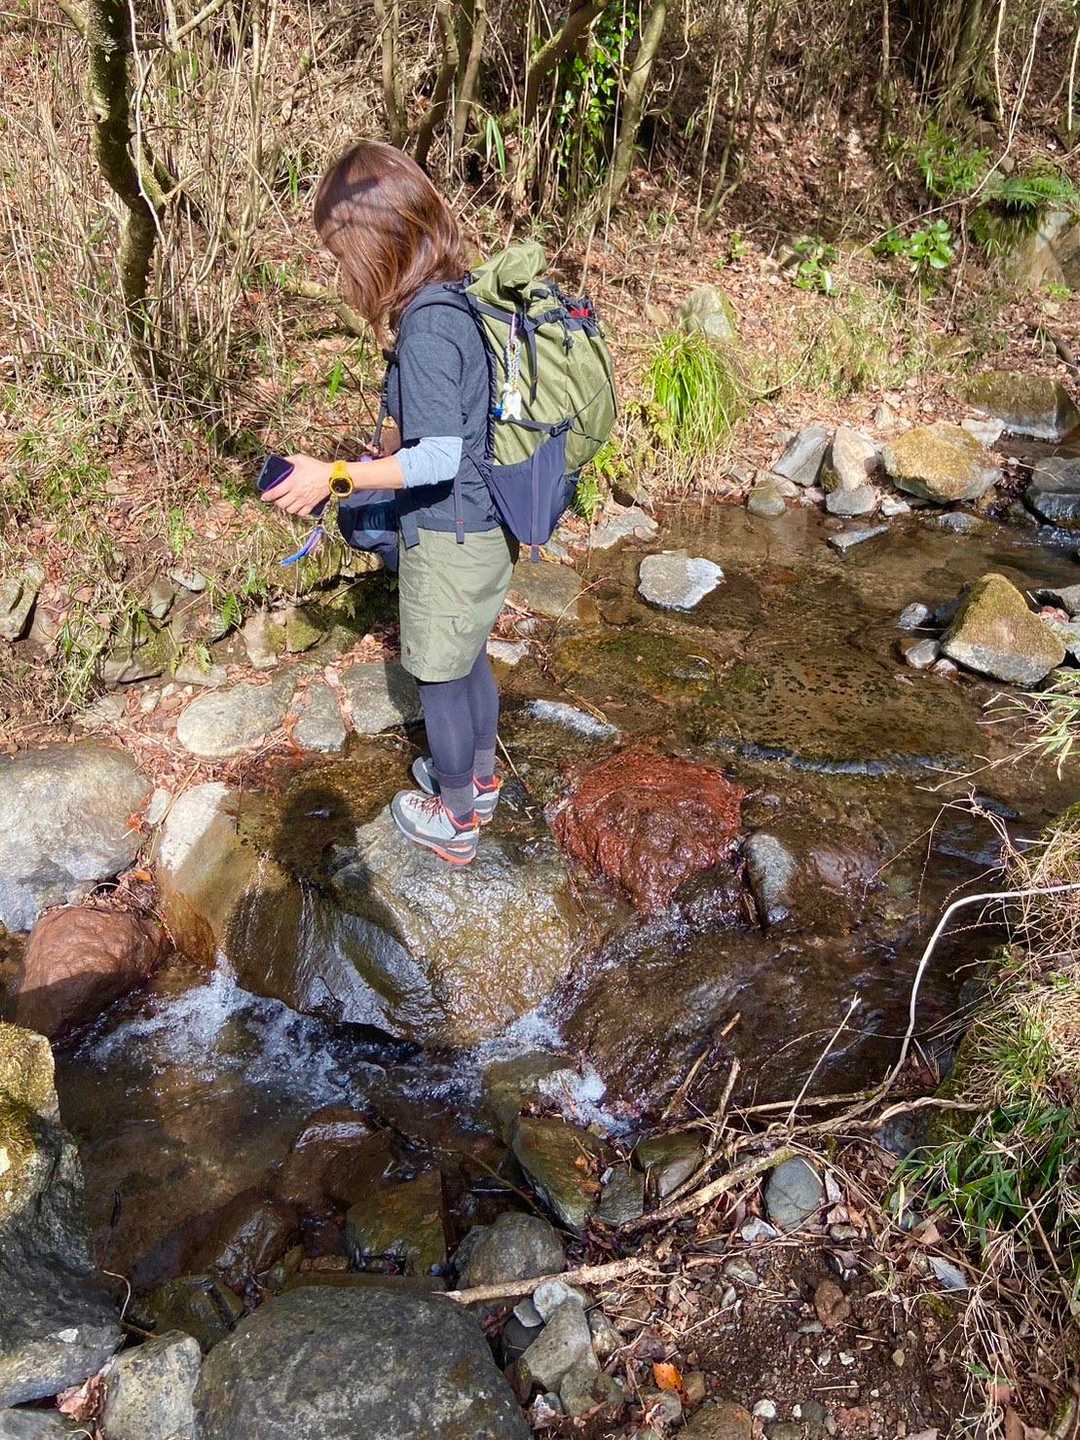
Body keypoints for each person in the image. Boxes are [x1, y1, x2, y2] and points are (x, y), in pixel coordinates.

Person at [260, 141, 515, 867]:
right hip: (483, 525)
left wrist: (335, 477)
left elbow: (438, 459)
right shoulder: (455, 300)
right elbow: (446, 430)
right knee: (469, 654)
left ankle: (456, 819)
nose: (341, 274)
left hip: (449, 531)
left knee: (438, 672)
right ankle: (480, 781)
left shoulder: (429, 325)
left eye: (341, 256)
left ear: (377, 242)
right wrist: (379, 454)